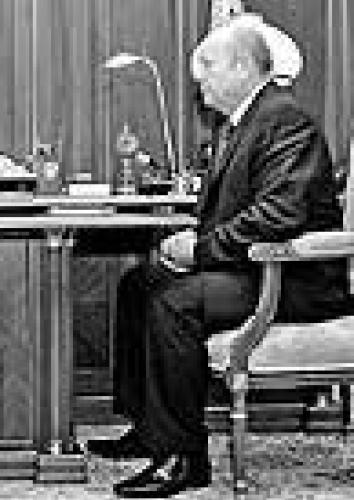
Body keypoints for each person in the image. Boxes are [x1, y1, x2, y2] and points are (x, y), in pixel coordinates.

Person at [87, 19, 349, 499]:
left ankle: (183, 458)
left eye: (208, 66)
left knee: (175, 302)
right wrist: (195, 242)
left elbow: (279, 215)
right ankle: (149, 429)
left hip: (294, 278)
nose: (198, 78)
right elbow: (242, 211)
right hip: (252, 266)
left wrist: (201, 250)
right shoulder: (245, 121)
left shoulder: (285, 120)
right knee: (139, 284)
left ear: (243, 67)